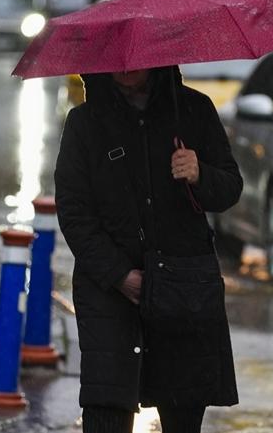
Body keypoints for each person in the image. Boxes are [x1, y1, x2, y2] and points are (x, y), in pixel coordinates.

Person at [54, 66, 242, 433]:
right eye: (117, 61)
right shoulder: (85, 122)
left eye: (136, 60)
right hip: (108, 292)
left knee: (183, 408)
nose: (126, 69)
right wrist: (119, 275)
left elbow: (230, 188)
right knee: (107, 407)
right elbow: (74, 212)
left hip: (184, 287)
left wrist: (200, 173)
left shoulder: (194, 110)